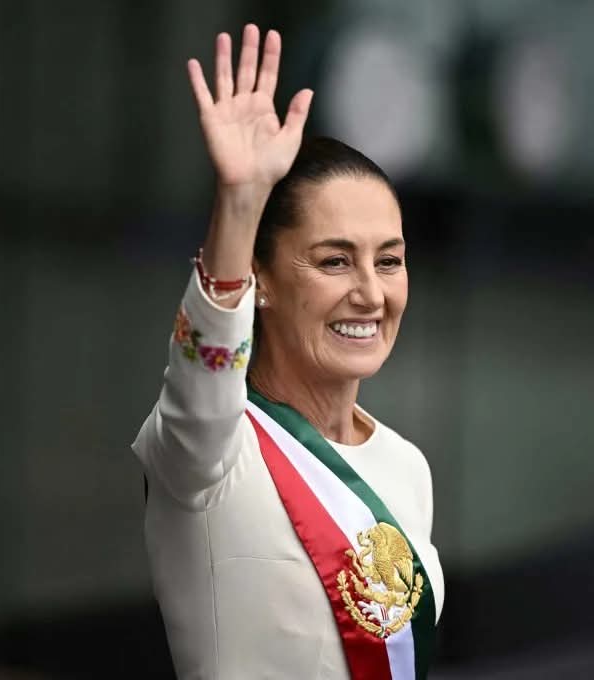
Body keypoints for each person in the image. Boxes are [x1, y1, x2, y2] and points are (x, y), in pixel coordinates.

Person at [131, 24, 444, 680]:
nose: (370, 293)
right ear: (262, 279)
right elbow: (202, 373)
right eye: (334, 261)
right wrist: (240, 204)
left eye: (389, 261)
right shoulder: (209, 454)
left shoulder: (406, 467)